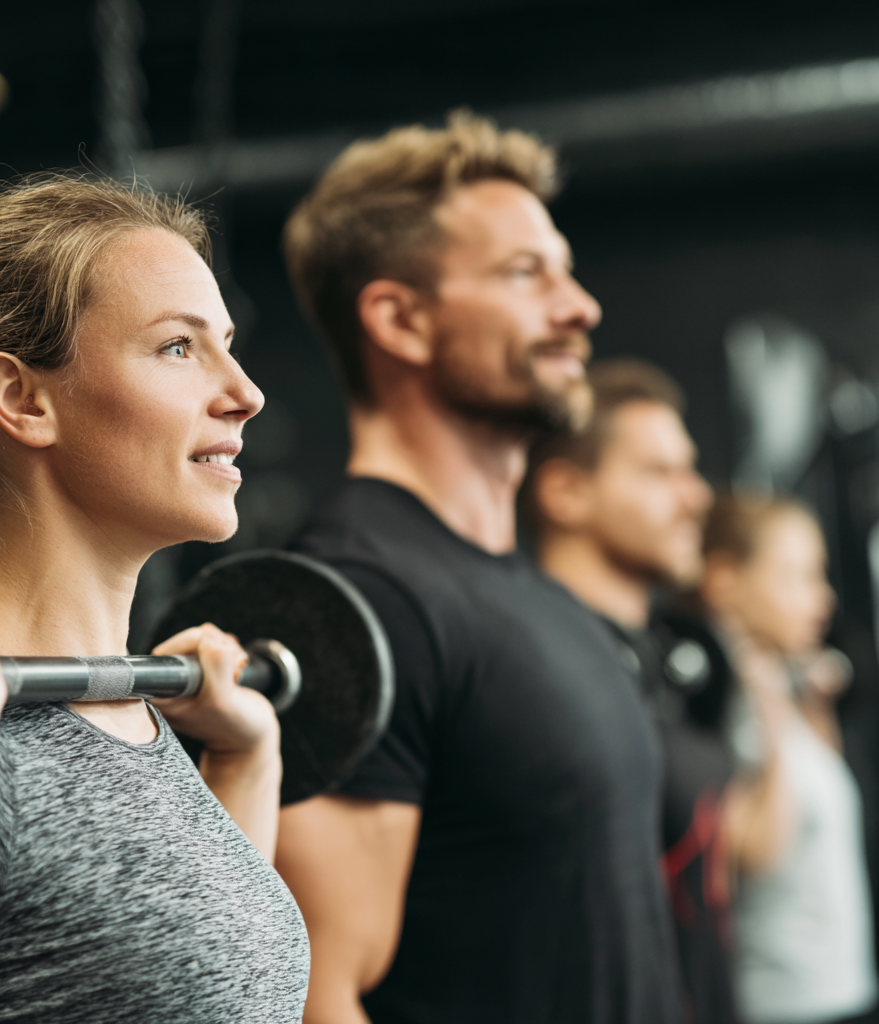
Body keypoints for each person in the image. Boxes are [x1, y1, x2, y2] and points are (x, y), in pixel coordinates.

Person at [0, 175, 310, 1024]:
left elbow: (218, 987)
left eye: (227, 344)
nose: (243, 391)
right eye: (179, 347)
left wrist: (249, 758)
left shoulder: (135, 718)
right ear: (24, 399)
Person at [273, 112, 684, 1023]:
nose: (580, 306)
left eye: (566, 270)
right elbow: (316, 994)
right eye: (525, 274)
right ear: (400, 320)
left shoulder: (529, 591)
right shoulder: (355, 598)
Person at [527, 359, 736, 1024]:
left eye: (690, 469)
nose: (696, 496)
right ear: (566, 492)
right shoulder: (537, 671)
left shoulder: (663, 659)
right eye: (659, 473)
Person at [700, 494, 878, 1024]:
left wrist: (805, 702)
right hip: (787, 1007)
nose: (821, 601)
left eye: (819, 577)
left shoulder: (784, 689)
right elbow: (755, 853)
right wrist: (770, 706)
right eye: (797, 578)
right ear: (726, 580)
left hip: (846, 990)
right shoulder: (724, 708)